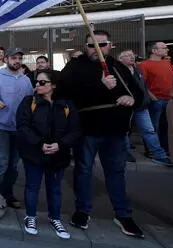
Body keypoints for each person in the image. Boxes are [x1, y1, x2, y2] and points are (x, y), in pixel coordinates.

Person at [61, 30, 144, 238]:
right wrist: (100, 85)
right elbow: (64, 92)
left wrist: (131, 99)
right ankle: (82, 211)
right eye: (91, 45)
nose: (97, 49)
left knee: (116, 173)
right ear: (85, 46)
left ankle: (123, 214)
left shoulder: (118, 67)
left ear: (110, 45)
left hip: (115, 130)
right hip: (87, 130)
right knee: (83, 171)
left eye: (102, 44)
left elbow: (138, 93)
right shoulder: (75, 66)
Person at [16, 70, 80, 240]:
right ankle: (30, 216)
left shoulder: (66, 105)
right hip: (34, 154)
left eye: (42, 82)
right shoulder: (29, 102)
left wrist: (61, 145)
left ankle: (55, 218)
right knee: (32, 186)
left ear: (53, 85)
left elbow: (75, 129)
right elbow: (22, 126)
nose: (37, 85)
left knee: (55, 189)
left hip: (58, 154)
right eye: (36, 82)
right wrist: (39, 144)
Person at [0, 48, 34, 209]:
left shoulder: (25, 81)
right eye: (13, 58)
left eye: (19, 58)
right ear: (7, 60)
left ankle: (7, 194)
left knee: (13, 165)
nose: (17, 61)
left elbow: (31, 102)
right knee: (1, 162)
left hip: (18, 128)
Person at [118, 50, 173, 167]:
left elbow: (143, 87)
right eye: (128, 56)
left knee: (149, 130)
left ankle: (159, 155)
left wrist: (148, 98)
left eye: (133, 55)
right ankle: (125, 152)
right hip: (125, 107)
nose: (132, 57)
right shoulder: (117, 72)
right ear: (120, 59)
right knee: (124, 131)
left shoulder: (138, 70)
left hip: (141, 106)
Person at [138, 42, 173, 154]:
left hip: (169, 100)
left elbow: (171, 80)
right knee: (152, 128)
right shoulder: (144, 65)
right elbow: (142, 84)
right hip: (155, 101)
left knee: (165, 127)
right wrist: (153, 98)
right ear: (154, 51)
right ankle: (150, 151)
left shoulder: (167, 63)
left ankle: (164, 149)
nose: (167, 50)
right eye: (164, 48)